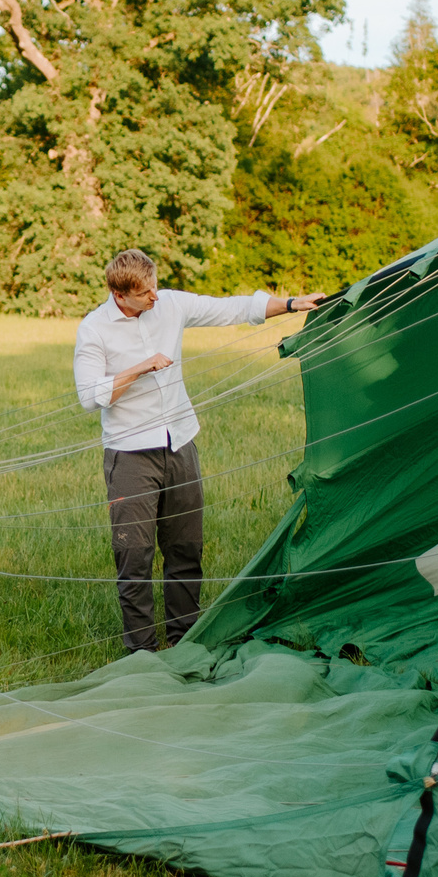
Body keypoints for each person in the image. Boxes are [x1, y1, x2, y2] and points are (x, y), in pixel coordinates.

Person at [73, 250, 324, 653]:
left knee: (186, 547)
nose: (155, 297)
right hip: (130, 454)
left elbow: (232, 308)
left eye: (155, 285)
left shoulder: (168, 302)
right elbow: (89, 397)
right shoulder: (95, 329)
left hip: (180, 443)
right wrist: (140, 367)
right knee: (134, 557)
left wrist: (293, 304)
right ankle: (141, 652)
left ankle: (184, 639)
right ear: (120, 295)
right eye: (145, 293)